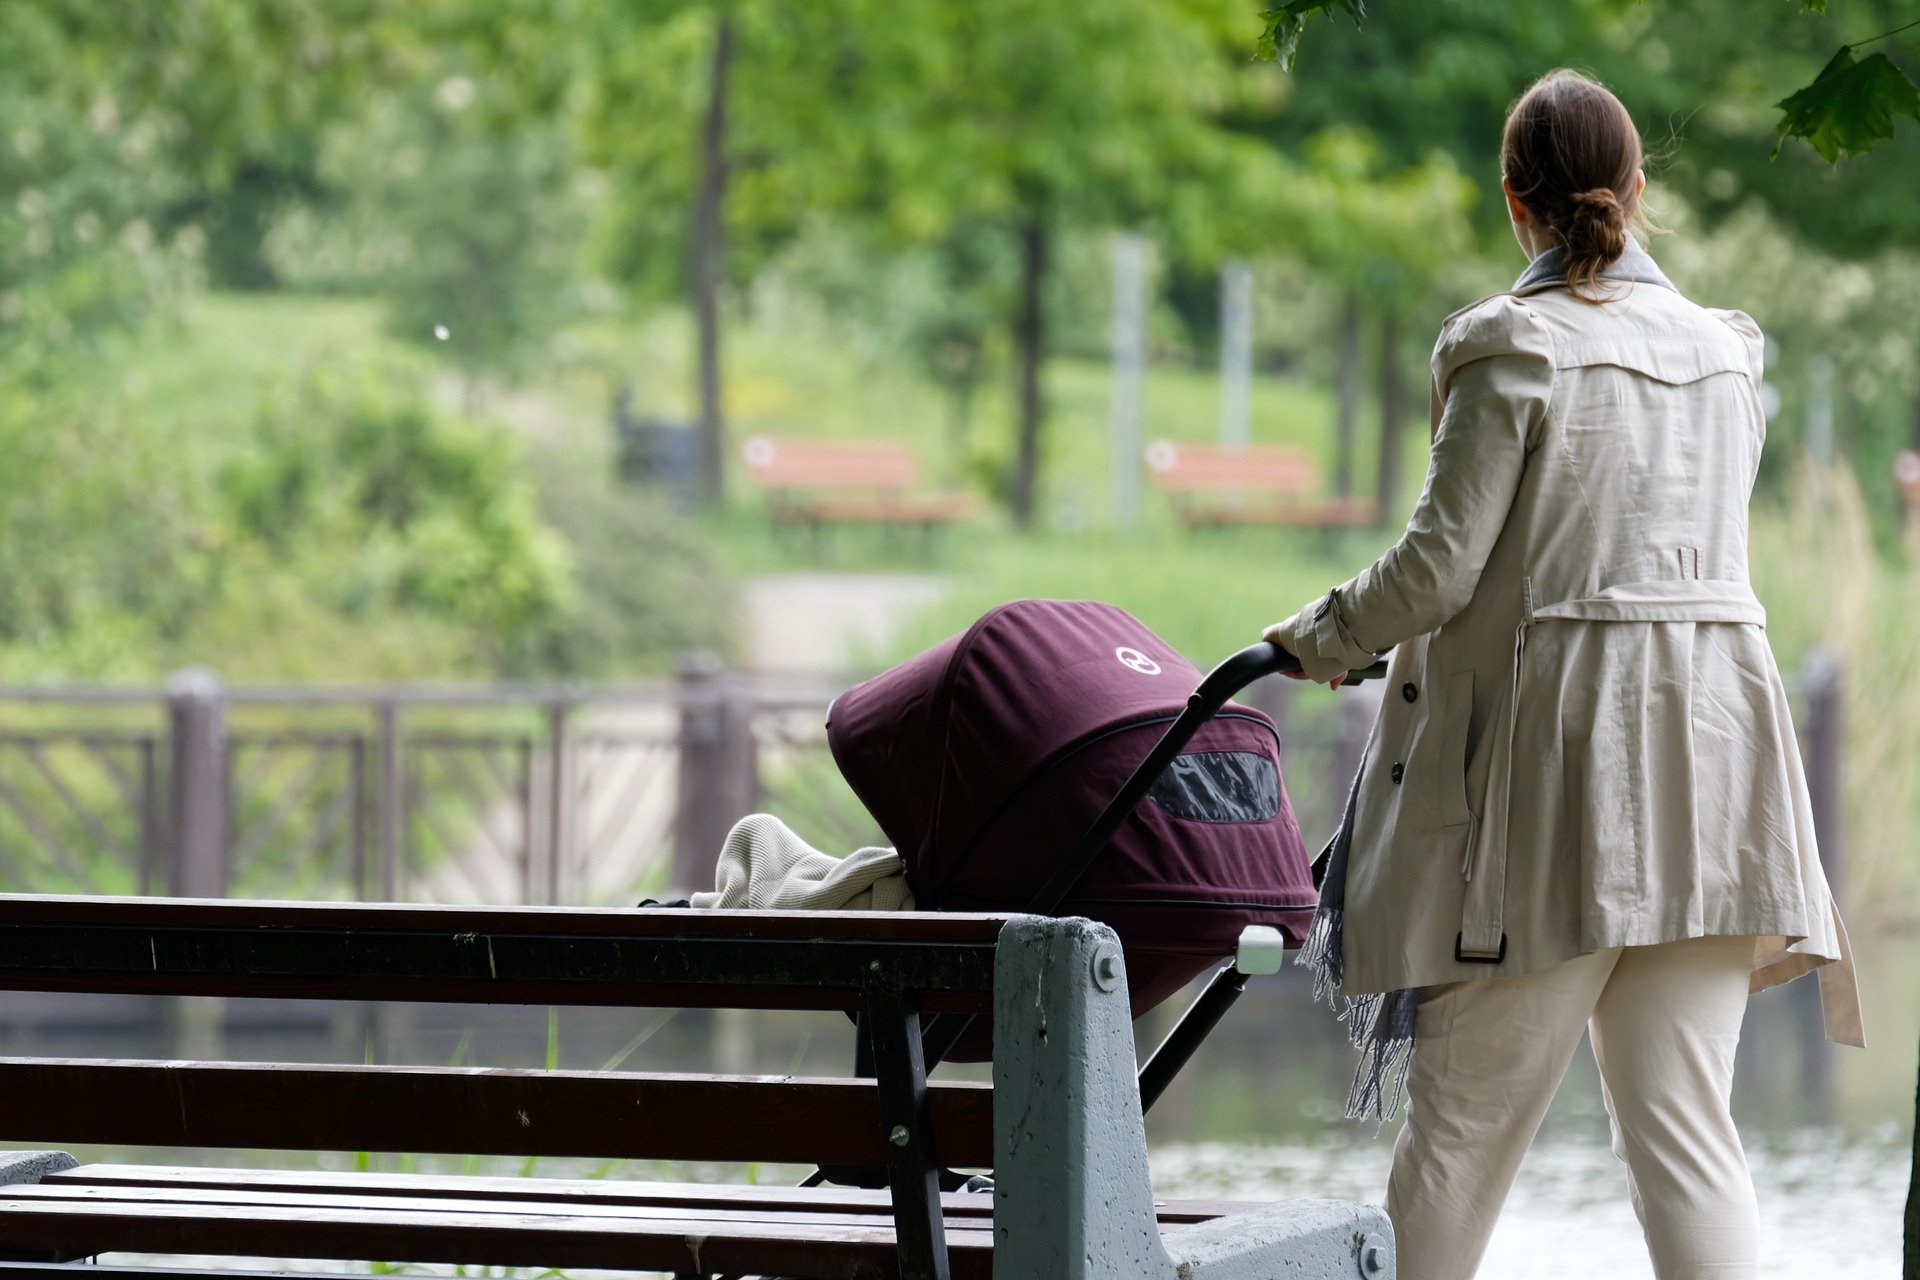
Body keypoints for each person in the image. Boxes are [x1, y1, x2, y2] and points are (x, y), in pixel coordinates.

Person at [1262, 69, 1862, 1280]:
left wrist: (1316, 638)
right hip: (1714, 782)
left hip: (1548, 795)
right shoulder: (1725, 357)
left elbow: (1438, 570)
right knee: (1690, 1143)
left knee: (1460, 1141)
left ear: (1511, 201)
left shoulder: (1510, 347)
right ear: (1637, 192)